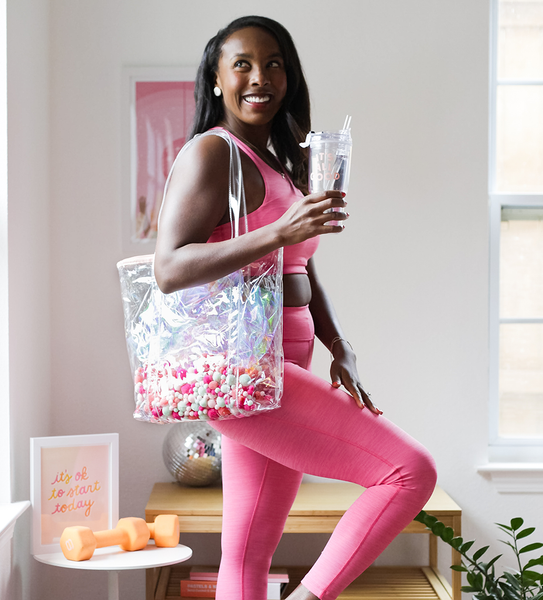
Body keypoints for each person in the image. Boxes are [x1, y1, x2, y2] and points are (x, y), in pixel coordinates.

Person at [154, 15, 437, 600]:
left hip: (286, 363)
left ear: (291, 77)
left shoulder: (280, 160)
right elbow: (169, 268)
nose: (260, 77)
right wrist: (278, 232)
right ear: (215, 80)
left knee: (249, 551)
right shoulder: (211, 155)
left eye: (274, 63)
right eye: (243, 65)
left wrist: (340, 344)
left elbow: (300, 265)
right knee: (410, 471)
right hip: (243, 369)